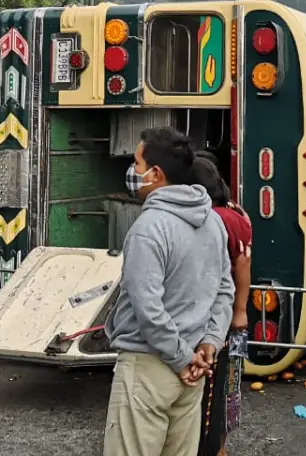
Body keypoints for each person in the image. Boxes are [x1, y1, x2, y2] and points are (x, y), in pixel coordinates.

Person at [104, 127, 234, 456]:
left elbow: (147, 308)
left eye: (136, 163)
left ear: (156, 173)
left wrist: (179, 358)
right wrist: (209, 344)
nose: (133, 172)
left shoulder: (149, 229)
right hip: (193, 372)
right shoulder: (213, 223)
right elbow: (224, 290)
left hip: (150, 368)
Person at [189, 153, 252, 456]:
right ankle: (220, 446)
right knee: (225, 389)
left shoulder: (215, 219)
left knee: (209, 393)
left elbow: (240, 266)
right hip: (227, 317)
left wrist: (237, 310)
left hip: (216, 318)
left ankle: (209, 448)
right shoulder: (235, 213)